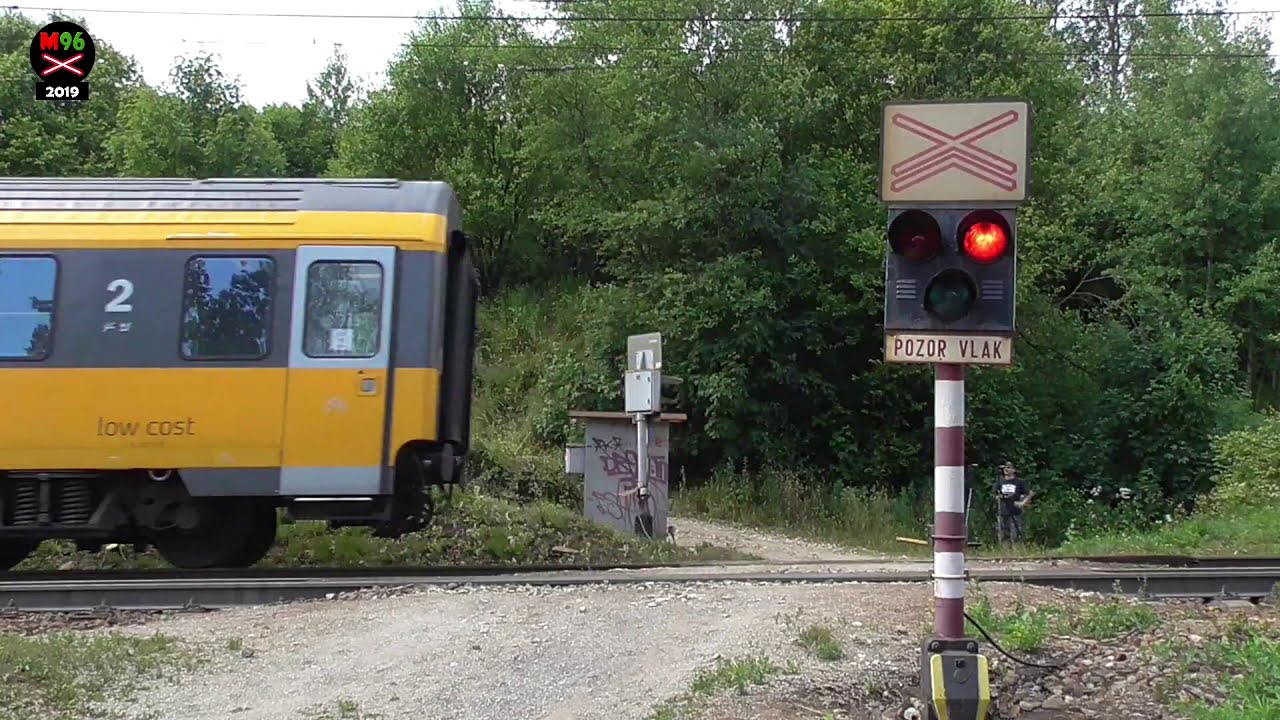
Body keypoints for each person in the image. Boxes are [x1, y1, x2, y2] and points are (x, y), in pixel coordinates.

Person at [995, 462, 1034, 549]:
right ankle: (1005, 551)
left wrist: (1023, 503)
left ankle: (1017, 551)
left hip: (1015, 511)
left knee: (1016, 533)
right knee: (1004, 533)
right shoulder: (1000, 481)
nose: (1006, 469)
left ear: (1013, 470)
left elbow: (1030, 493)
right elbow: (995, 494)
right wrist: (1000, 497)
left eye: (1009, 468)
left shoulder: (1019, 482)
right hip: (1003, 510)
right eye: (1005, 468)